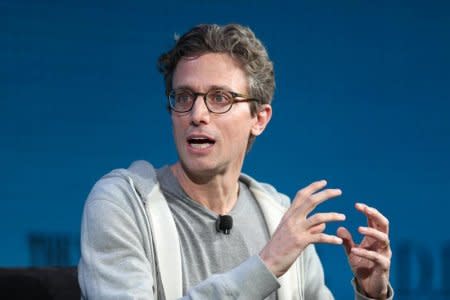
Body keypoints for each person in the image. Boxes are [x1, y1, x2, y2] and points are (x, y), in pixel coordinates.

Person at [78, 23, 393, 299]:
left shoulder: (281, 218)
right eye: (184, 97)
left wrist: (370, 294)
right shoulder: (123, 204)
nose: (197, 115)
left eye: (219, 98)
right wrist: (266, 265)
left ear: (259, 118)